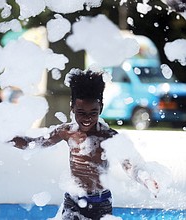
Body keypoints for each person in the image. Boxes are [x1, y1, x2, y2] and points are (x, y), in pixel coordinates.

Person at [10, 68, 159, 220]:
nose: (87, 118)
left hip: (101, 202)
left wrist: (146, 180)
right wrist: (6, 136)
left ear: (100, 108)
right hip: (74, 200)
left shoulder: (109, 136)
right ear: (72, 108)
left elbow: (130, 166)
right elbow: (34, 144)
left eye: (93, 113)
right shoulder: (67, 132)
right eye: (81, 112)